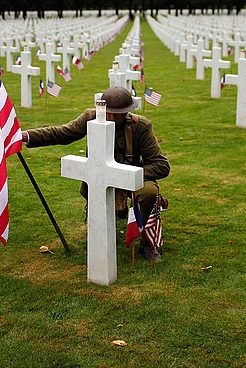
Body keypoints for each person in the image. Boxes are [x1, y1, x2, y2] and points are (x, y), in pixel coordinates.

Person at [21, 86, 170, 261]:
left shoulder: (141, 126)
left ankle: (146, 242)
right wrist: (27, 136)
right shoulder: (90, 118)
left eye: (117, 113)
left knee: (149, 192)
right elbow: (63, 133)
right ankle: (102, 226)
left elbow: (161, 165)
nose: (112, 117)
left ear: (127, 112)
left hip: (131, 176)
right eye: (109, 112)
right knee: (96, 190)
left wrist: (129, 174)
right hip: (99, 176)